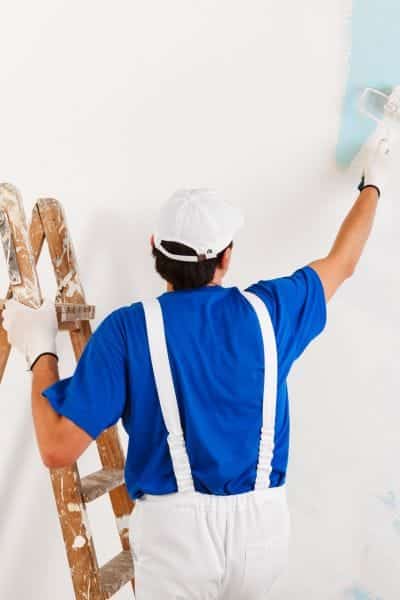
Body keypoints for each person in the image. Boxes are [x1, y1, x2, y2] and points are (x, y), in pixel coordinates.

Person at [1, 137, 391, 599]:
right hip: (262, 537)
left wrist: (40, 351)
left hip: (175, 542)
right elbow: (341, 263)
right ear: (226, 256)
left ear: (155, 250)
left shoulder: (128, 331)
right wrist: (374, 183)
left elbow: (57, 448)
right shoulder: (271, 311)